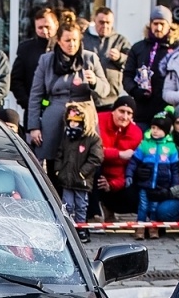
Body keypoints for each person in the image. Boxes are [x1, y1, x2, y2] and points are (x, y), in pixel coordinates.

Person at [27, 18, 104, 162]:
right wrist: (34, 127)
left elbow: (105, 90)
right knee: (52, 163)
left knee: (83, 161)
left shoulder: (90, 58)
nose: (72, 44)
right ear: (59, 41)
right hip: (54, 117)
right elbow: (35, 95)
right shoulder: (46, 60)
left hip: (84, 117)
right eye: (67, 40)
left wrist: (94, 82)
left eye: (75, 40)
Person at [50, 100, 104, 229]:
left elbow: (96, 158)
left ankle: (81, 228)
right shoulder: (67, 137)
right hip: (66, 179)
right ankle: (69, 228)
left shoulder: (93, 139)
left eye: (76, 122)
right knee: (67, 205)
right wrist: (58, 169)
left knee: (81, 205)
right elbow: (60, 154)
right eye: (71, 121)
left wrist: (82, 172)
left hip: (81, 181)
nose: (73, 124)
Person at [93, 95, 142, 220]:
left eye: (129, 113)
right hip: (98, 169)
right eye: (121, 111)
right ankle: (95, 212)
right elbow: (96, 152)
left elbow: (126, 164)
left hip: (118, 176)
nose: (125, 117)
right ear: (113, 110)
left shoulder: (135, 132)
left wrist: (112, 184)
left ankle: (110, 207)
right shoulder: (98, 121)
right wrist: (119, 154)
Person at [123, 5, 174, 121]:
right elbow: (127, 75)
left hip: (167, 109)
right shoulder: (138, 48)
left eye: (162, 24)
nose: (159, 28)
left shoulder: (177, 48)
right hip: (141, 109)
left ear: (169, 26)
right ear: (150, 24)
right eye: (155, 24)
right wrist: (134, 91)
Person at [10, 7, 57, 124]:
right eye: (40, 27)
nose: (44, 31)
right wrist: (27, 103)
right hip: (33, 111)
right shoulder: (26, 48)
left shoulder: (64, 46)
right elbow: (16, 80)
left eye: (48, 27)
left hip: (60, 108)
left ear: (56, 25)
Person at [129, 109, 178, 221]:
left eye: (159, 129)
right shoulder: (144, 144)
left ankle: (153, 228)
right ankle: (140, 227)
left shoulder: (171, 147)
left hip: (161, 185)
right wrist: (129, 175)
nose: (155, 131)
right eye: (153, 128)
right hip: (145, 184)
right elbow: (134, 161)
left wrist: (174, 185)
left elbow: (174, 168)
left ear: (166, 131)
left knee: (155, 207)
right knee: (143, 206)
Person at [82, 6, 129, 107]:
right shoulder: (83, 39)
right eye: (101, 22)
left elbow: (132, 62)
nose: (105, 26)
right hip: (86, 96)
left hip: (111, 98)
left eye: (108, 23)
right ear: (94, 20)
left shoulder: (120, 40)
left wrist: (120, 58)